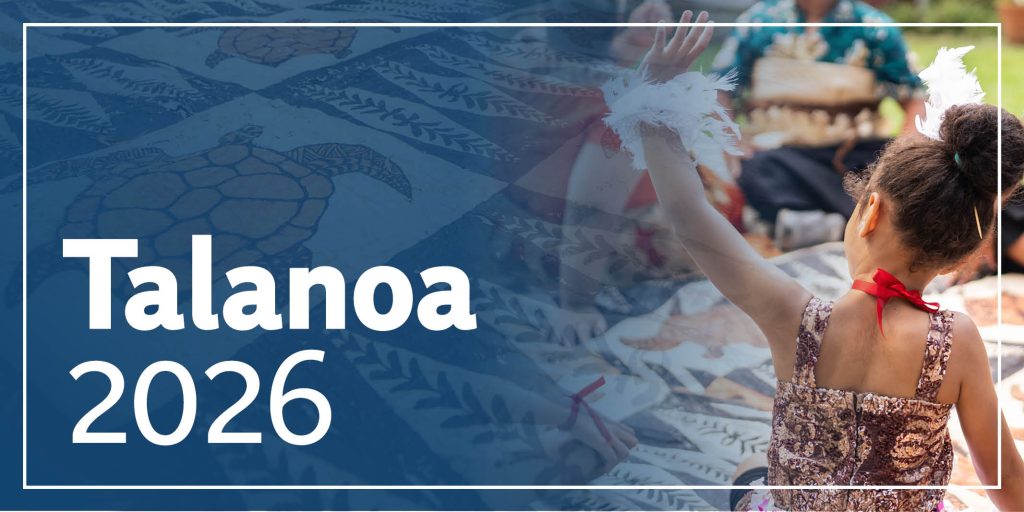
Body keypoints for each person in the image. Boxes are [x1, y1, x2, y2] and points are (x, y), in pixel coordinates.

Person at [605, 11, 1024, 510]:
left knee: (748, 472)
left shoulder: (794, 316)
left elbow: (689, 213)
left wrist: (654, 98)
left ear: (870, 212)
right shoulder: (958, 340)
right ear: (961, 250)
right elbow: (1006, 484)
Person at [712, 0, 927, 249]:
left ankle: (812, 224)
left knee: (886, 182)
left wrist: (897, 163)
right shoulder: (758, 21)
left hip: (850, 155)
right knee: (755, 168)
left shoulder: (874, 27)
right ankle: (844, 225)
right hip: (780, 155)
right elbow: (719, 88)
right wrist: (731, 139)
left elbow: (915, 102)